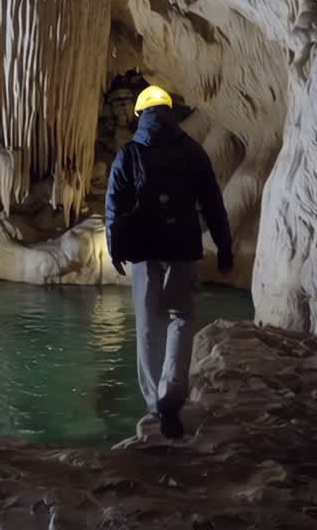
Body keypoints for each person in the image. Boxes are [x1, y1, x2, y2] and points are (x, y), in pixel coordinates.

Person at [105, 84, 233, 440]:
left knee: (149, 324)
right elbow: (212, 202)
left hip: (144, 251)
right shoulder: (192, 151)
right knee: (181, 318)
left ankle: (152, 403)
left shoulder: (129, 153)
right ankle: (171, 398)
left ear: (141, 116)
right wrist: (224, 247)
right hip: (181, 247)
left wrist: (115, 247)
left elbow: (114, 204)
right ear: (170, 113)